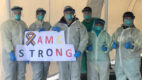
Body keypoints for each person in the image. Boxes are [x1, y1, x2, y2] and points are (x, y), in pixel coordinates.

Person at [52, 6, 88, 80]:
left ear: (73, 14)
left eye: (71, 13)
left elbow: (84, 38)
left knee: (75, 75)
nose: (69, 14)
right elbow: (49, 38)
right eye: (67, 13)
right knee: (63, 75)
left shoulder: (79, 25)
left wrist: (80, 50)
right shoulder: (58, 25)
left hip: (75, 54)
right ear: (64, 14)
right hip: (62, 54)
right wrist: (51, 30)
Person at [112, 12, 142, 80]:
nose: (128, 20)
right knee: (120, 77)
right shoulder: (118, 31)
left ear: (132, 20)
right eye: (126, 18)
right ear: (123, 19)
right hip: (119, 61)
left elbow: (140, 44)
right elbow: (113, 40)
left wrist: (132, 46)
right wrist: (113, 44)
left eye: (129, 18)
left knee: (134, 78)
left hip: (131, 61)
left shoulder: (136, 32)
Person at [1, 6, 27, 80]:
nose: (18, 14)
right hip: (9, 54)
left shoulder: (23, 24)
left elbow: (28, 38)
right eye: (15, 13)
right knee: (10, 76)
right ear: (12, 14)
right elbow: (6, 39)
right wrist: (10, 52)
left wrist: (27, 53)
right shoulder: (6, 25)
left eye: (19, 12)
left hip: (21, 53)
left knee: (21, 75)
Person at [28, 8, 51, 80]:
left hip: (46, 52)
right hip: (36, 53)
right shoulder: (32, 26)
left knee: (45, 73)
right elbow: (28, 41)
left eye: (42, 14)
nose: (41, 15)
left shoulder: (47, 25)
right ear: (36, 15)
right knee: (37, 72)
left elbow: (52, 35)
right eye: (39, 14)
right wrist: (28, 54)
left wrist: (54, 29)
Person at [81, 7, 98, 79]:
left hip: (96, 49)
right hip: (86, 49)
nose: (86, 14)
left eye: (87, 13)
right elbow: (80, 38)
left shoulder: (96, 22)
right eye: (84, 13)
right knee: (86, 69)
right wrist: (85, 47)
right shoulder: (81, 24)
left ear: (91, 13)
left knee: (96, 70)